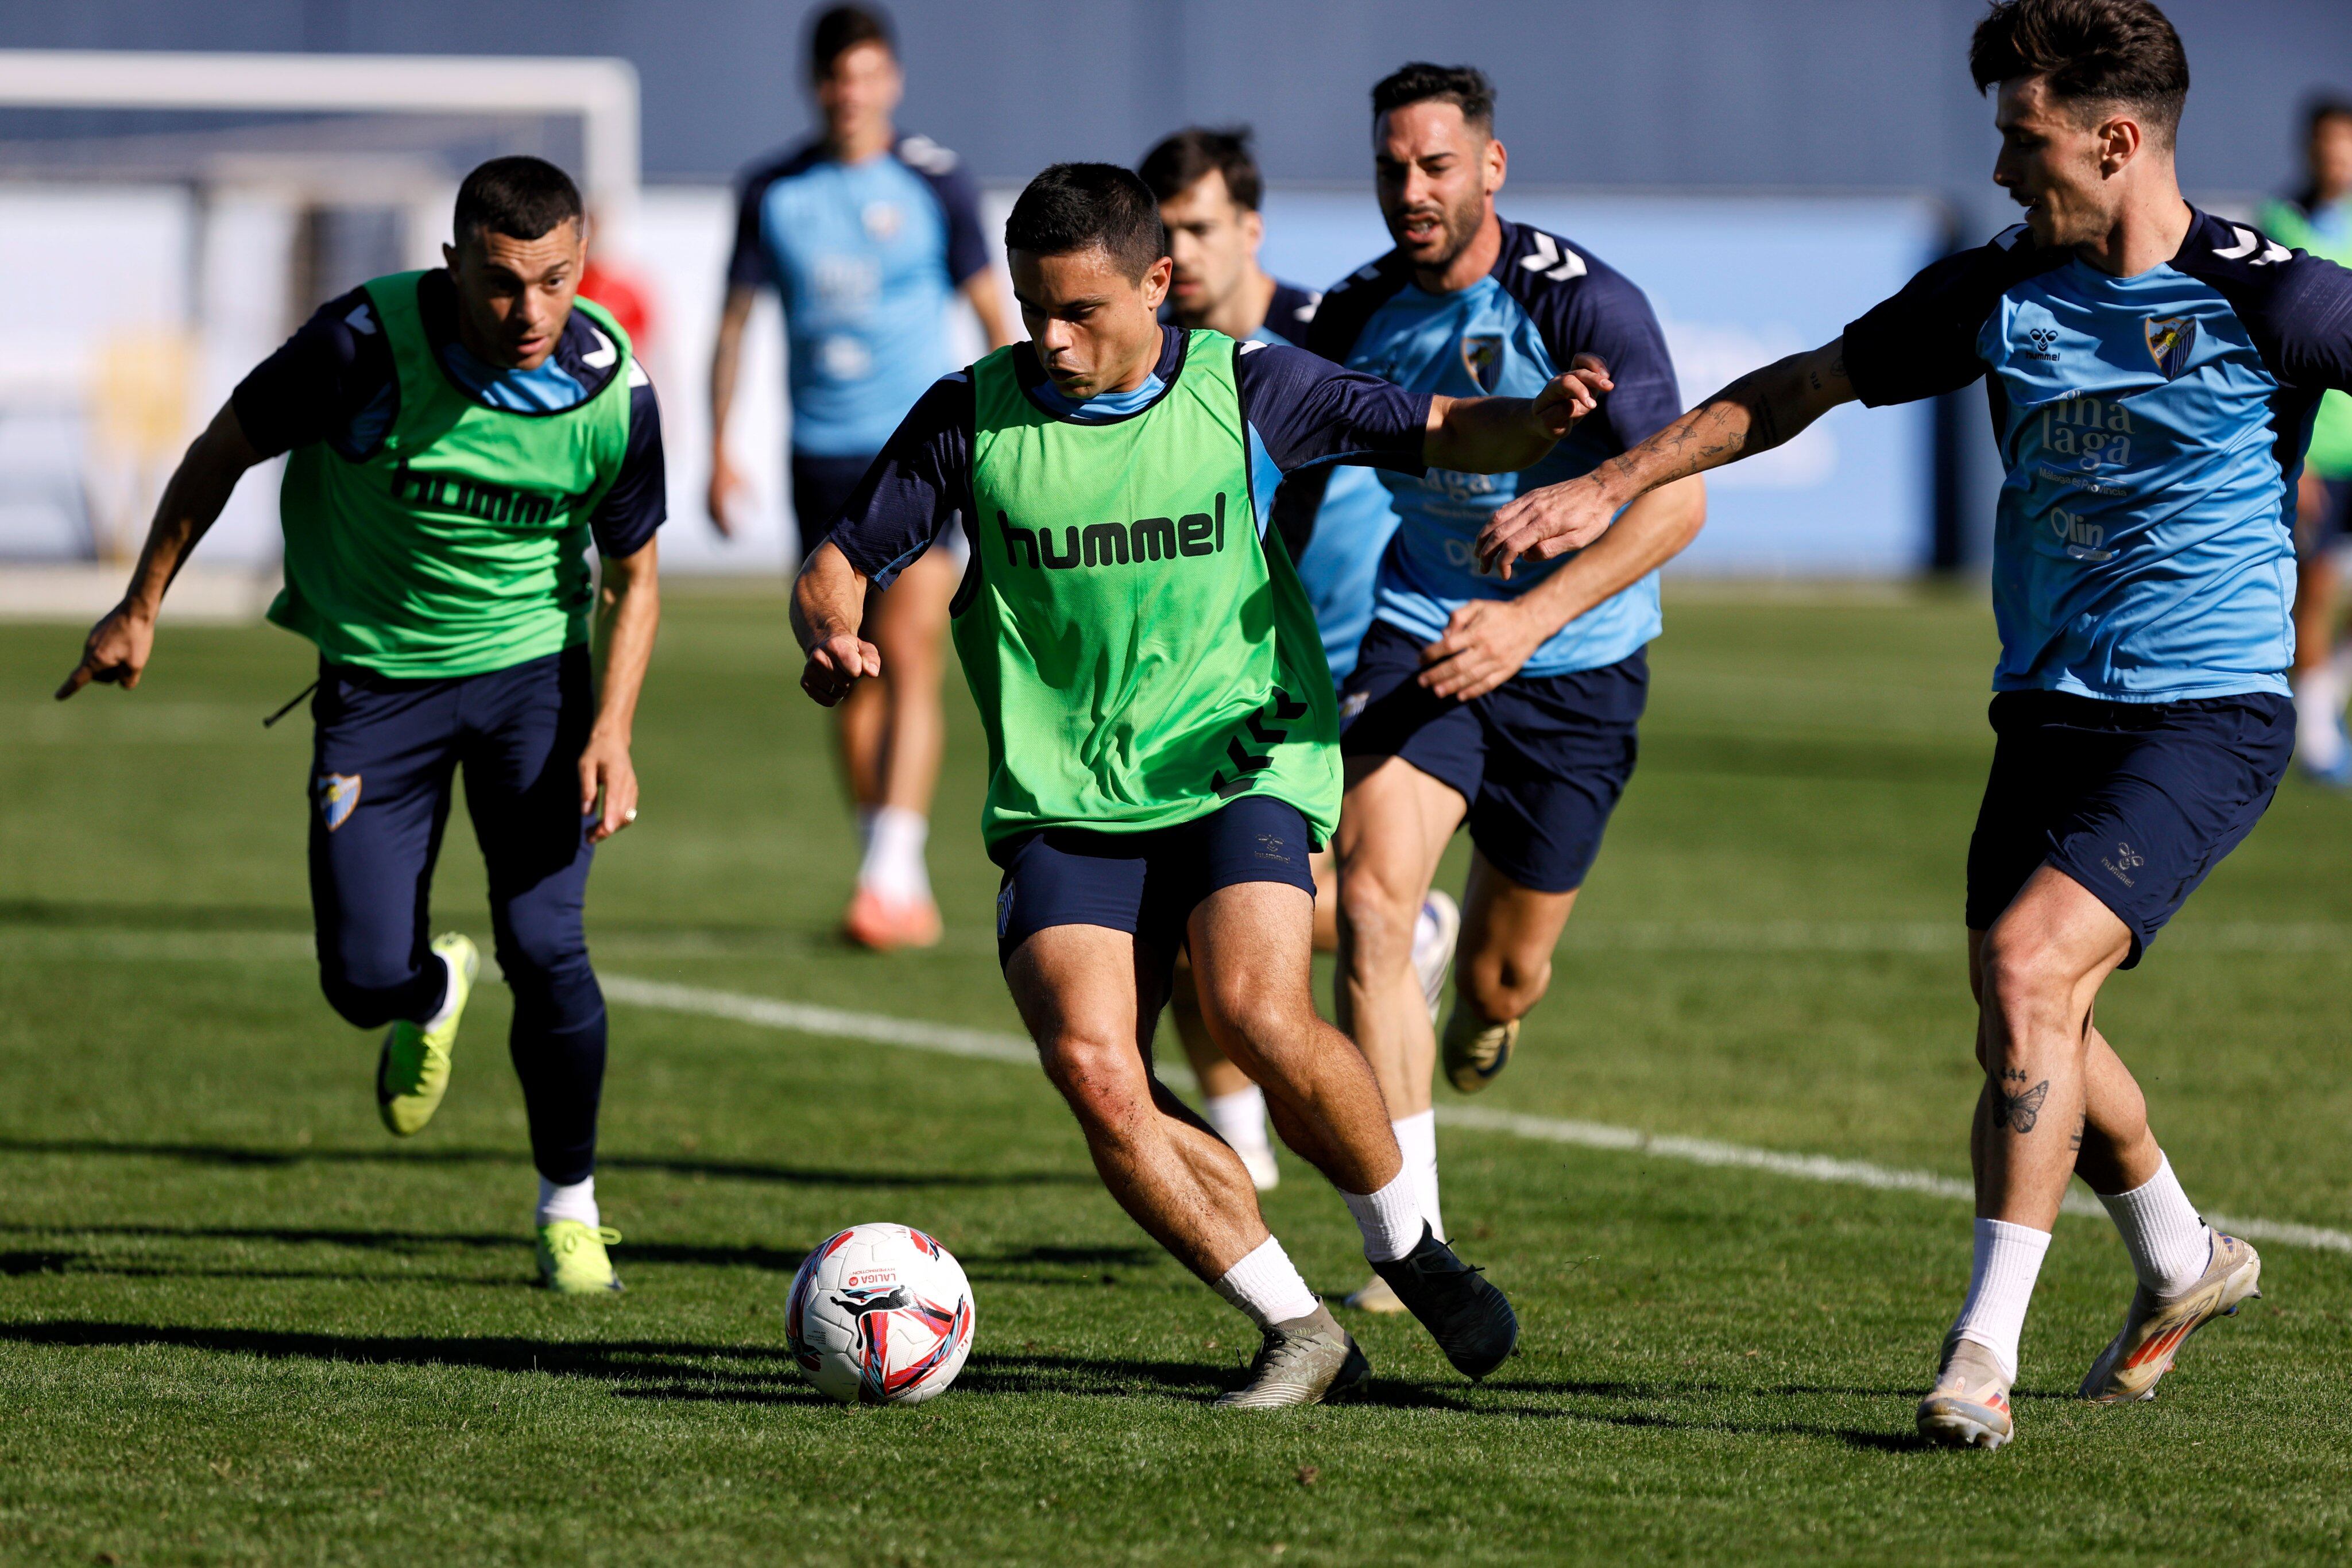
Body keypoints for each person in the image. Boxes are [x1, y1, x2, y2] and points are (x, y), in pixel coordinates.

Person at [1479, 0, 2348, 1450]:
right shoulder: (1997, 290)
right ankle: (2186, 1256)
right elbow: (1797, 389)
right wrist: (1609, 483)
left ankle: (1976, 1360)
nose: (2006, 173)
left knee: (2026, 973)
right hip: (2047, 708)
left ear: (2117, 141)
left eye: (2027, 143)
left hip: (2208, 709)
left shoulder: (2280, 300)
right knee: (2029, 1014)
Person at [792, 162, 1606, 1405]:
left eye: (1082, 311)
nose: (1052, 339)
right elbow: (842, 555)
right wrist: (832, 628)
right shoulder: (970, 416)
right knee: (1095, 1069)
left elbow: (1438, 429)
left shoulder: (1249, 384)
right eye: (1031, 309)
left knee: (1254, 1009)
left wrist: (1535, 427)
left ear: (1158, 285)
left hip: (1240, 759)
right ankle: (1295, 1327)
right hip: (1065, 794)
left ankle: (1407, 1246)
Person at [57, 156, 667, 1295]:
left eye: (556, 281)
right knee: (356, 978)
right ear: (451, 267)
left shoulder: (611, 391)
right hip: (376, 691)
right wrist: (139, 607)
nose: (530, 312)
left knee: (547, 948)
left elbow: (634, 577)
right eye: (500, 283)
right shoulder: (358, 347)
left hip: (532, 688)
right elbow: (220, 452)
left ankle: (569, 1208)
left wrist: (614, 729)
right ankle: (427, 992)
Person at [1285, 64, 1705, 1312]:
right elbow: (1290, 496)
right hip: (1419, 634)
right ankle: (1406, 1238)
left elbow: (1673, 501)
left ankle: (1482, 1000)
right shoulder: (1350, 313)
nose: (1409, 192)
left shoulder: (1586, 306)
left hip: (1573, 658)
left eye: (1433, 166)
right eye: (1389, 168)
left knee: (1500, 980)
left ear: (1490, 168)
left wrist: (1524, 621)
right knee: (1369, 903)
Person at [1138, 125, 1460, 1195]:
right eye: (1161, 229)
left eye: (1197, 227)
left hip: (1347, 650)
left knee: (1258, 902)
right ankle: (1242, 1154)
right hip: (1208, 670)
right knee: (1186, 918)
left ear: (1250, 228)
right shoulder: (1148, 361)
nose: (1176, 253)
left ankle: (1407, 927)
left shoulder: (1329, 336)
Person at [710, 2, 1015, 950]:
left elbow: (989, 311)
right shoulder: (773, 191)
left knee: (914, 644)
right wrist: (719, 446)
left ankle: (894, 869)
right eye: (838, 77)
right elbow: (734, 324)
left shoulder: (938, 184)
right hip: (822, 456)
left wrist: (1020, 429)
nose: (854, 93)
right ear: (817, 85)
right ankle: (878, 860)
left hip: (923, 454)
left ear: (893, 82)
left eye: (869, 75)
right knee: (844, 660)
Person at [2259, 97, 2352, 783]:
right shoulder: (2279, 223)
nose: (2333, 155)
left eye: (2344, 143)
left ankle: (2320, 701)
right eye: (2324, 142)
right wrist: (2304, 458)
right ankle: (2316, 734)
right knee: (2314, 588)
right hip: (2318, 452)